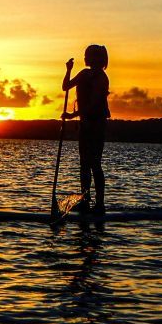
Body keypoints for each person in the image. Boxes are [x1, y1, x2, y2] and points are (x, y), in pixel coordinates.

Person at [61, 44, 110, 215]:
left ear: (97, 58)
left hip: (96, 125)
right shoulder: (83, 74)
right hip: (85, 125)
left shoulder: (102, 78)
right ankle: (85, 200)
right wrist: (68, 70)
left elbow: (93, 104)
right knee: (84, 164)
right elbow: (65, 86)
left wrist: (72, 115)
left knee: (95, 163)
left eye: (87, 55)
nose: (85, 58)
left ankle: (100, 204)